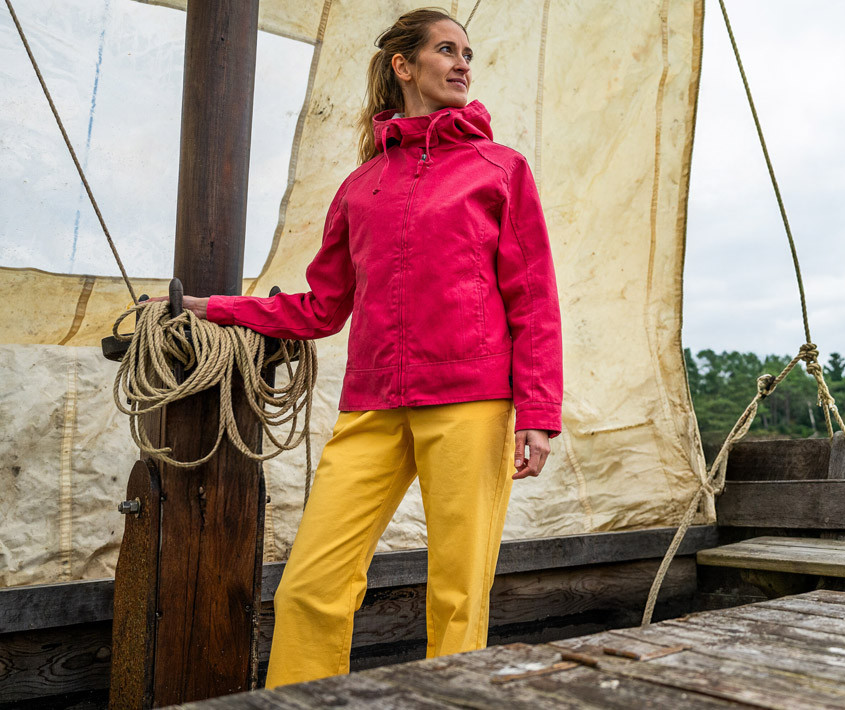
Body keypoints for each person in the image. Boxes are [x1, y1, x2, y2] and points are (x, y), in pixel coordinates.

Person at [160, 8, 562, 688]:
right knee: (309, 586)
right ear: (404, 65)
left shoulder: (500, 169)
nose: (463, 64)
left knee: (458, 594)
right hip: (373, 404)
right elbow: (322, 306)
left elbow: (533, 298)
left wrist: (539, 414)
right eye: (447, 50)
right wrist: (213, 308)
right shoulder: (360, 186)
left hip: (470, 401)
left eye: (468, 53)